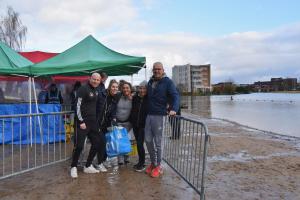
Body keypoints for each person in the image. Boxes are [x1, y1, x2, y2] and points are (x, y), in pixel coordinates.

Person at [145, 62, 179, 178]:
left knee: (158, 143)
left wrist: (174, 109)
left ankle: (159, 166)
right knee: (148, 140)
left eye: (159, 69)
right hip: (149, 115)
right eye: (155, 69)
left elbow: (175, 96)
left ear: (163, 70)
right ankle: (153, 163)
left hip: (160, 116)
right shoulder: (150, 82)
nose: (157, 71)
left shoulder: (168, 82)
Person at [70, 73, 104, 178]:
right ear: (90, 78)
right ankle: (73, 167)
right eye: (94, 79)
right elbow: (77, 105)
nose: (96, 81)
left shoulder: (97, 90)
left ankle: (88, 165)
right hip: (82, 123)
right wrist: (81, 122)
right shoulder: (83, 89)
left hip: (92, 123)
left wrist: (97, 122)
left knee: (97, 143)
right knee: (79, 146)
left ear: (100, 81)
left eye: (98, 80)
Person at [96, 79, 119, 171]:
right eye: (113, 86)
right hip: (98, 123)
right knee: (101, 143)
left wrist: (114, 119)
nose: (115, 88)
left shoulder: (115, 98)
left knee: (106, 143)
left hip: (106, 124)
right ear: (109, 87)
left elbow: (113, 112)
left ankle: (103, 160)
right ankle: (99, 163)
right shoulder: (102, 95)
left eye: (116, 87)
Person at [130, 80, 148, 172]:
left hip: (144, 126)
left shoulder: (149, 98)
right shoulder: (135, 98)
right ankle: (140, 162)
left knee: (140, 144)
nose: (142, 90)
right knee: (138, 143)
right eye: (140, 88)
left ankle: (142, 163)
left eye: (144, 88)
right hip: (135, 125)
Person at [116, 81, 133, 165]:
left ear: (130, 89)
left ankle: (127, 157)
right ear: (121, 89)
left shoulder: (134, 98)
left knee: (127, 140)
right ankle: (120, 159)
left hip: (129, 123)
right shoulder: (117, 96)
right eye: (124, 88)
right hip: (118, 123)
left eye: (127, 88)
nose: (125, 89)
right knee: (119, 140)